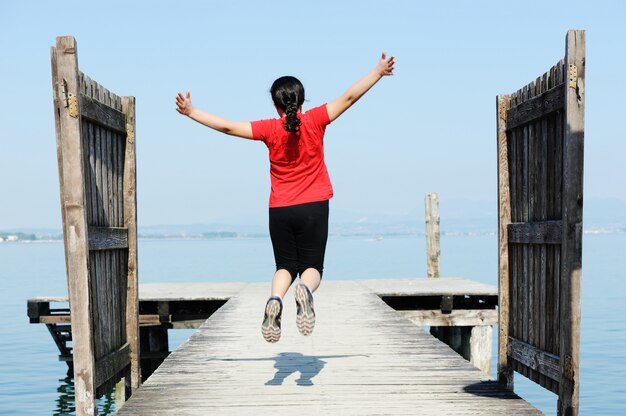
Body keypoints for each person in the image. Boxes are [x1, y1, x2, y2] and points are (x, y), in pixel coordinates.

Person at [175, 52, 395, 343]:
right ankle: (305, 290)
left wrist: (191, 112)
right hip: (314, 205)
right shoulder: (315, 120)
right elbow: (350, 97)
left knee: (284, 267)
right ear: (302, 100)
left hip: (280, 209)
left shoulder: (269, 129)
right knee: (313, 267)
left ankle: (276, 298)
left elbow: (228, 126)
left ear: (275, 103)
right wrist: (378, 72)